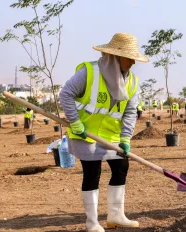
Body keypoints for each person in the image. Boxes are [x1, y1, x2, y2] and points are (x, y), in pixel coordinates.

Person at [59, 33, 148, 232]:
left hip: (112, 136)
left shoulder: (132, 81)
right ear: (116, 56)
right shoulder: (90, 72)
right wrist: (75, 122)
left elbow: (130, 112)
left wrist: (126, 138)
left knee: (121, 167)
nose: (133, 62)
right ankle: (92, 222)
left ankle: (116, 216)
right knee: (92, 173)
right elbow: (66, 94)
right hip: (85, 134)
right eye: (129, 57)